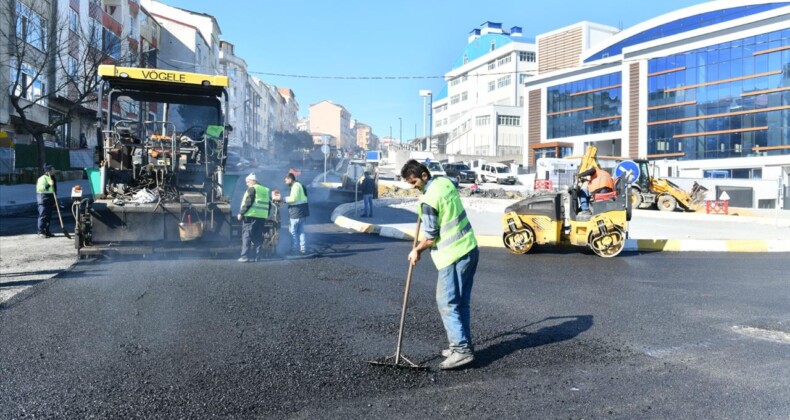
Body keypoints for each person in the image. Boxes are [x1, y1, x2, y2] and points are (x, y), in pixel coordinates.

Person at [400, 159, 479, 370]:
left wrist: (416, 250)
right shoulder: (444, 183)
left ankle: (461, 350)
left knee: (446, 302)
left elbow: (431, 237)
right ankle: (461, 344)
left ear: (424, 175)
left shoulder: (428, 201)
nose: (412, 185)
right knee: (461, 302)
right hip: (470, 248)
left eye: (414, 181)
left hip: (451, 255)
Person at [237, 172, 271, 262]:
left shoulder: (252, 189)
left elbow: (248, 202)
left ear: (253, 181)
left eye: (247, 182)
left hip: (251, 215)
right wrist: (266, 215)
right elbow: (269, 204)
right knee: (258, 236)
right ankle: (258, 256)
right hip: (261, 216)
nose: (246, 184)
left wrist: (241, 213)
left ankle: (244, 256)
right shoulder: (265, 190)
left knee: (247, 235)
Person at [284, 172, 309, 255]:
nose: (285, 182)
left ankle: (294, 250)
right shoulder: (300, 185)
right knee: (301, 231)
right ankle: (303, 249)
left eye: (286, 180)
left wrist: (283, 199)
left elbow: (293, 199)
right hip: (302, 211)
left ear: (290, 179)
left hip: (296, 212)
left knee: (293, 232)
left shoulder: (295, 186)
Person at [36, 164, 56, 238]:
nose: (54, 171)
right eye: (52, 170)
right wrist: (48, 185)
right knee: (43, 216)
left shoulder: (51, 178)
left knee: (48, 216)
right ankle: (41, 231)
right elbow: (40, 188)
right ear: (48, 171)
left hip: (50, 199)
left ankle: (47, 231)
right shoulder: (42, 178)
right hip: (43, 199)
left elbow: (53, 190)